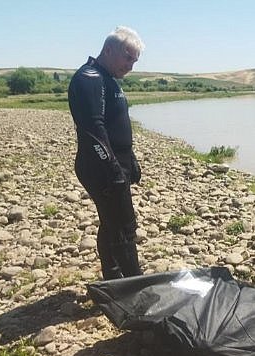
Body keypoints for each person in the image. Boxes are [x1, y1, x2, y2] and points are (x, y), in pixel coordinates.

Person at [68, 26, 145, 280]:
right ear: (109, 50)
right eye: (127, 57)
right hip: (99, 166)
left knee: (111, 222)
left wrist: (129, 159)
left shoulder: (106, 78)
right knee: (124, 227)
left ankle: (112, 278)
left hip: (111, 162)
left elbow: (116, 124)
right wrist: (112, 169)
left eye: (135, 60)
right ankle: (135, 286)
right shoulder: (90, 78)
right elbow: (94, 130)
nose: (131, 66)